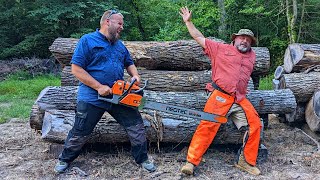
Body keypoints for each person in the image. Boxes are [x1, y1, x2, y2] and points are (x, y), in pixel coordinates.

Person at [54, 9, 156, 173]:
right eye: (119, 23)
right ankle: (64, 159)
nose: (122, 27)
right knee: (80, 130)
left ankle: (142, 159)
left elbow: (129, 63)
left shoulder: (120, 46)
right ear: (107, 22)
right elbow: (76, 69)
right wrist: (99, 87)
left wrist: (135, 76)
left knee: (136, 126)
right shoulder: (87, 40)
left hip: (119, 95)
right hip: (91, 96)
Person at [179, 7, 262, 176]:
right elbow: (198, 37)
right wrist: (188, 22)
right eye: (242, 38)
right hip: (220, 96)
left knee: (255, 124)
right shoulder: (220, 49)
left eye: (248, 39)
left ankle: (245, 162)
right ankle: (191, 162)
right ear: (235, 39)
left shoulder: (252, 56)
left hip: (239, 99)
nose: (245, 41)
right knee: (207, 126)